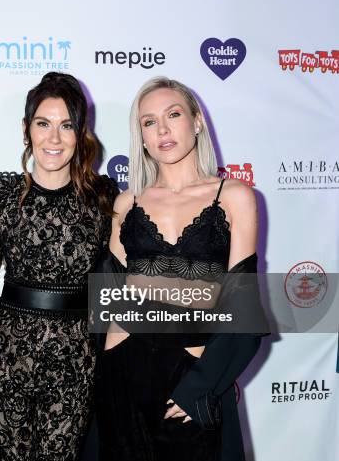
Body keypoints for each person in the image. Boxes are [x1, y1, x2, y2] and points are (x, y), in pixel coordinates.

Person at [96, 77, 263, 461]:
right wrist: (109, 373)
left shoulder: (234, 197)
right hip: (124, 372)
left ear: (197, 121)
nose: (163, 130)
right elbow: (111, 302)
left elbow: (244, 309)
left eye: (173, 115)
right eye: (149, 122)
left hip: (193, 376)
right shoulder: (126, 203)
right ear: (140, 135)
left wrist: (204, 385)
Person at [0, 72, 118, 461]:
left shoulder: (104, 198)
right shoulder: (0, 194)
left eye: (66, 125)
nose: (54, 139)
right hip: (5, 356)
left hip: (75, 360)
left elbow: (130, 280)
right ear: (27, 130)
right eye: (43, 124)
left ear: (80, 133)